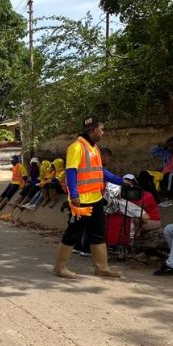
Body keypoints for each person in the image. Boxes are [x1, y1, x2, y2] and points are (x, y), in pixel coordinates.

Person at [53, 115, 124, 279]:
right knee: (73, 233)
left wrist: (120, 180)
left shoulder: (95, 148)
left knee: (99, 233)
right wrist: (74, 195)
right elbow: (71, 172)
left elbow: (100, 171)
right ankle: (60, 267)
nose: (103, 132)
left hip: (96, 199)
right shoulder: (77, 147)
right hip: (81, 202)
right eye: (102, 129)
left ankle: (102, 267)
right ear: (93, 130)